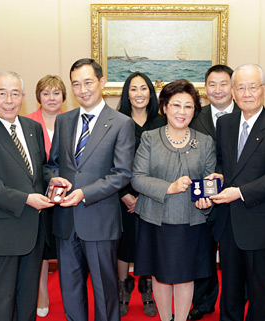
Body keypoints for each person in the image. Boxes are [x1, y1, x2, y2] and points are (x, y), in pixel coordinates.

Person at [45, 58, 135, 321]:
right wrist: (54, 180)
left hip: (99, 219)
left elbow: (122, 174)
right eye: (76, 84)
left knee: (104, 291)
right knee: (70, 289)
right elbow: (53, 165)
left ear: (101, 82)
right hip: (65, 221)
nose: (82, 89)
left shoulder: (120, 123)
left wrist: (84, 193)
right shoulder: (64, 121)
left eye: (88, 82)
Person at [0, 71, 60, 321]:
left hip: (33, 230)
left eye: (15, 93)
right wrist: (26, 199)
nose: (9, 99)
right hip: (2, 231)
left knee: (27, 298)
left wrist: (53, 181)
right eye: (2, 93)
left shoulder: (32, 128)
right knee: (2, 300)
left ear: (23, 97)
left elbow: (39, 170)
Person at [209, 64, 265, 321]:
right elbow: (223, 161)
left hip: (261, 223)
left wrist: (240, 192)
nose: (247, 93)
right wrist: (218, 175)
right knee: (231, 292)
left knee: (259, 294)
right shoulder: (225, 123)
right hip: (229, 224)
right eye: (241, 88)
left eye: (253, 87)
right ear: (233, 92)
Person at [131, 79, 215, 321]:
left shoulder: (205, 142)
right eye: (175, 105)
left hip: (191, 220)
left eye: (188, 107)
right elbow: (137, 178)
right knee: (160, 275)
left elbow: (208, 183)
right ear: (164, 107)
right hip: (156, 218)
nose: (181, 112)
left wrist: (208, 199)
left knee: (186, 275)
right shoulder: (149, 138)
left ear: (195, 111)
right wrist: (170, 187)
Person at [188, 64, 239, 321]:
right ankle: (204, 302)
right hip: (203, 199)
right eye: (212, 85)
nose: (217, 90)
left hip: (236, 200)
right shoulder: (195, 117)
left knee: (233, 258)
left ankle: (235, 304)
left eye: (223, 84)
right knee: (204, 254)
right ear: (205, 88)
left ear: (232, 86)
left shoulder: (248, 114)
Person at [116, 72, 164, 317]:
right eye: (133, 89)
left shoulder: (161, 122)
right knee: (124, 244)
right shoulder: (117, 121)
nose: (138, 94)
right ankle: (123, 289)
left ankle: (147, 287)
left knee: (148, 243)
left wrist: (146, 197)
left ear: (150, 92)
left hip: (152, 196)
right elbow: (109, 162)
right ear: (127, 94)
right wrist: (125, 194)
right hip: (122, 196)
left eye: (143, 88)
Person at [24, 74, 66, 318]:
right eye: (46, 93)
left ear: (63, 96)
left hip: (68, 196)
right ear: (38, 96)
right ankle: (41, 293)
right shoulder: (28, 123)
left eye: (56, 93)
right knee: (39, 250)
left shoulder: (72, 121)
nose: (51, 98)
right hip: (38, 198)